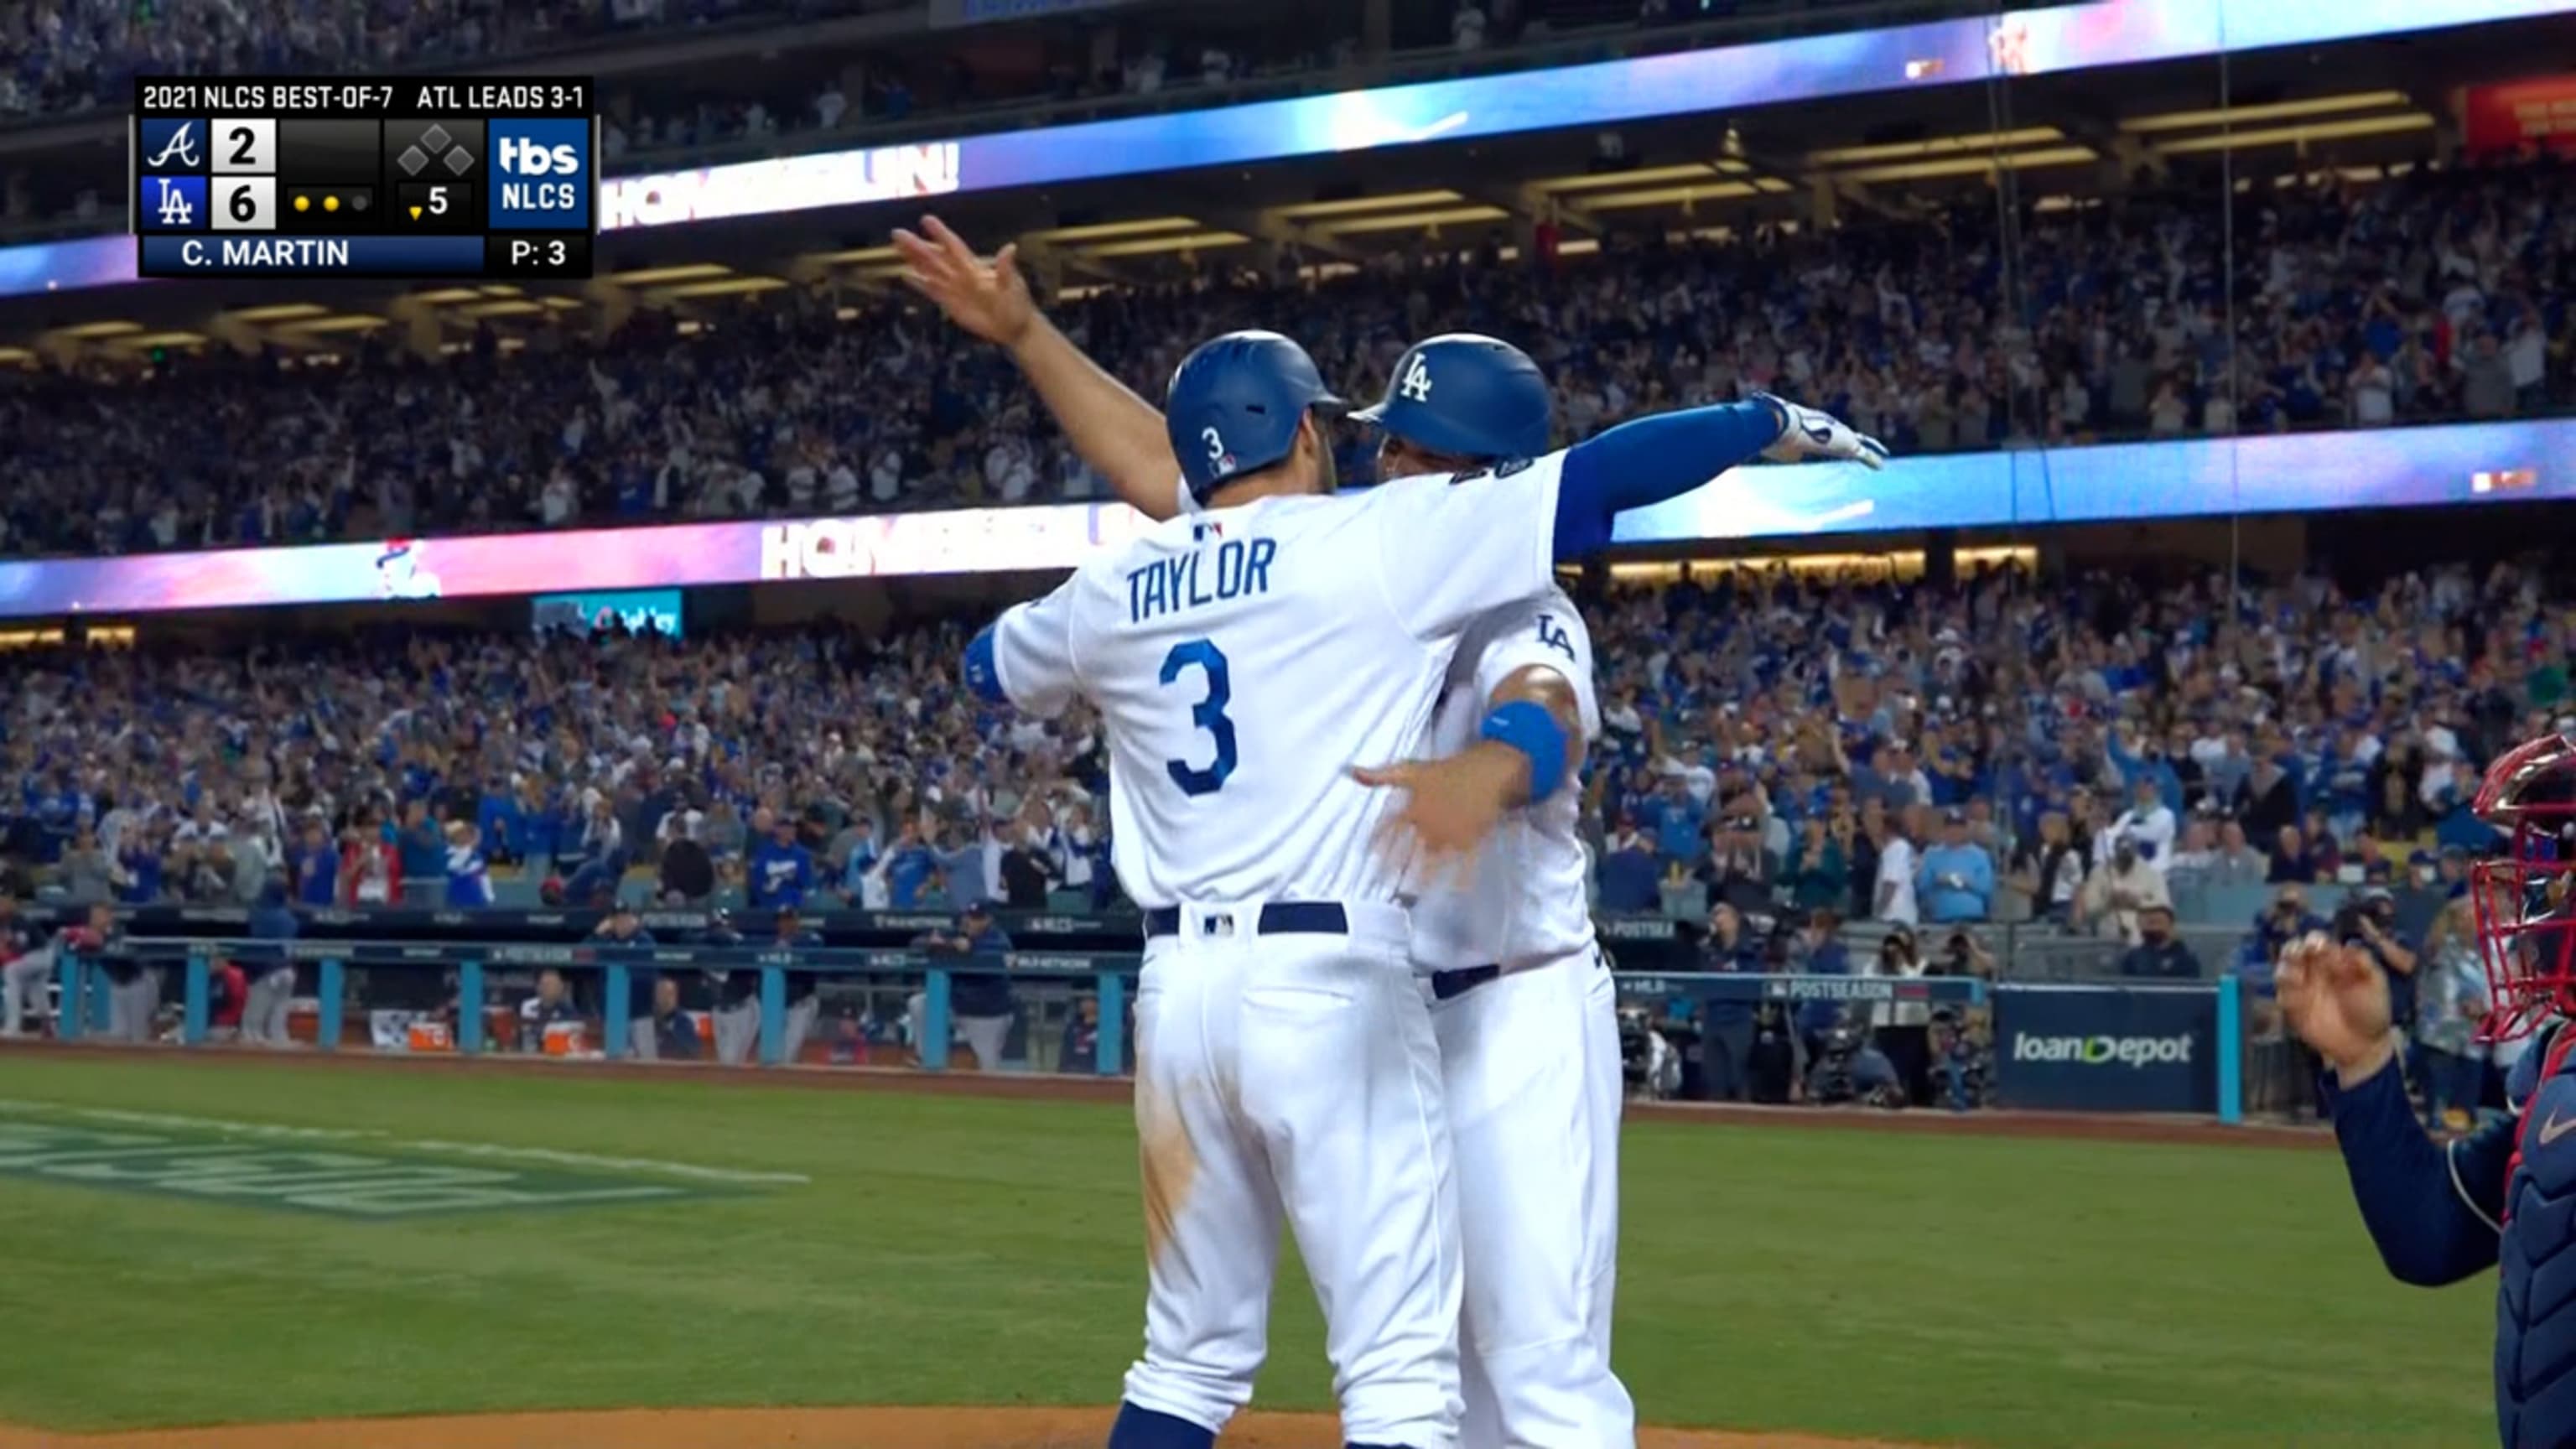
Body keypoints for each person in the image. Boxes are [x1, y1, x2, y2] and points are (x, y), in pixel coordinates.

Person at [907, 217, 1880, 1449]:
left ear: (1477, 476)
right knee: (1410, 1377)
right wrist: (1758, 420)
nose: (1381, 458)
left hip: (1492, 1003)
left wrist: (1494, 765)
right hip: (1354, 998)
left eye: (1409, 445)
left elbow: (1544, 706)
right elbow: (1224, 501)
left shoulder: (1469, 580)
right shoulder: (1373, 550)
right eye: (1369, 438)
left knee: (1517, 1364)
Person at [2281, 729, 2576, 1449]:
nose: (2541, 890)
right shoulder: (2558, 1065)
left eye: (2562, 857)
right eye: (2541, 858)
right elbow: (2427, 1235)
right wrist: (2364, 1061)